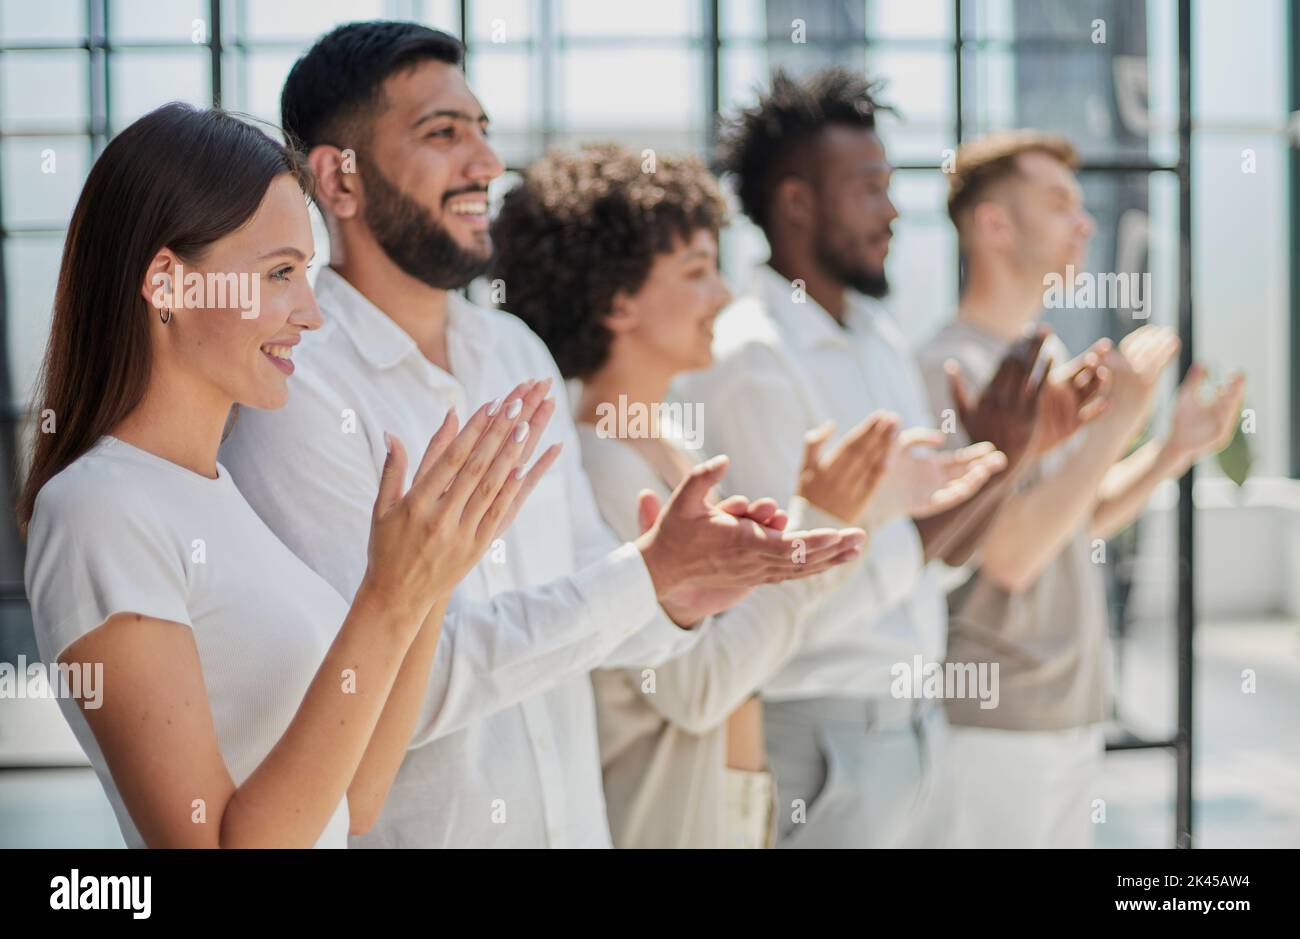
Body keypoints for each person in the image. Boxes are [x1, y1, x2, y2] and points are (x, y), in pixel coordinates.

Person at [219, 21, 865, 849]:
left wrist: (680, 590)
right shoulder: (297, 385)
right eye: (443, 133)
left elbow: (599, 604)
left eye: (483, 131)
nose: (485, 163)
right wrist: (641, 579)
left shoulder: (516, 352)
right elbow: (390, 683)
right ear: (337, 180)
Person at [19, 103, 549, 848]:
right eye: (278, 274)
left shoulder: (216, 496)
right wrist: (388, 597)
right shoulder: (98, 510)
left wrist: (428, 584)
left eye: (306, 272)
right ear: (168, 283)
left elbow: (354, 803)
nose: (311, 313)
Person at [491, 143, 1005, 848]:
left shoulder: (667, 434)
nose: (724, 295)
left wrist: (862, 509)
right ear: (617, 303)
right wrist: (832, 516)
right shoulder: (603, 467)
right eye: (697, 272)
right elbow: (698, 688)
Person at [675, 67, 1106, 848]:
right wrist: (999, 464)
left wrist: (1007, 461)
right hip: (819, 728)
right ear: (798, 203)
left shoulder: (878, 336)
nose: (893, 210)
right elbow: (804, 584)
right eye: (870, 188)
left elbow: (932, 557)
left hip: (909, 724)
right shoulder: (750, 361)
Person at [916, 131, 1245, 847]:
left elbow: (1073, 518)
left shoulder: (1042, 355)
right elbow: (1009, 554)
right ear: (994, 224)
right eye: (1059, 202)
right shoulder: (948, 368)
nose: (1084, 223)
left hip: (1062, 716)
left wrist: (1169, 450)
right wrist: (1118, 417)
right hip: (994, 727)